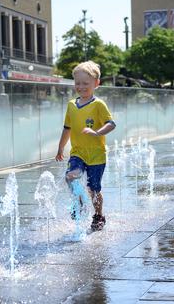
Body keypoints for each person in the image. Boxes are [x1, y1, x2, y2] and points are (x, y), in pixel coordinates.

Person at [56, 61, 116, 231]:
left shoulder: (98, 104)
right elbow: (67, 128)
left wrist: (97, 133)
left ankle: (98, 215)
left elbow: (111, 124)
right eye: (77, 83)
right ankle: (79, 202)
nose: (81, 87)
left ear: (96, 83)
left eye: (85, 83)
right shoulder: (71, 105)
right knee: (70, 176)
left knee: (93, 189)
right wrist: (61, 148)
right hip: (78, 153)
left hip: (96, 154)